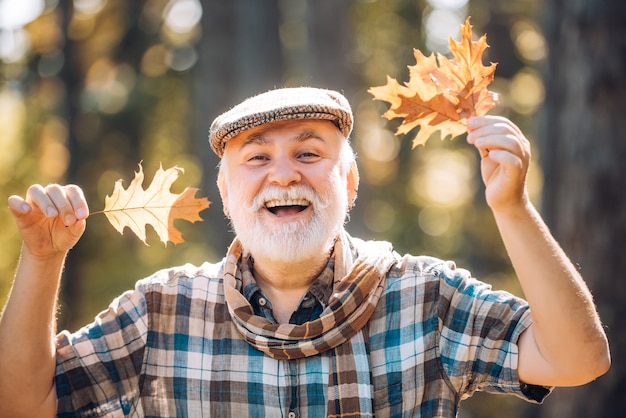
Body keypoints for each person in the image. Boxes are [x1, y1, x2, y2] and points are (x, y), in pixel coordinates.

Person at [0, 87, 610, 417]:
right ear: (228, 190)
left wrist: (513, 208)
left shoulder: (426, 297)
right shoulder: (162, 311)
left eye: (310, 153)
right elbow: (21, 405)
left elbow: (576, 358)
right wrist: (43, 259)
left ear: (348, 184)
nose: (284, 174)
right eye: (257, 158)